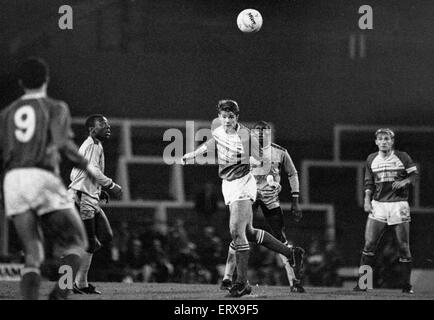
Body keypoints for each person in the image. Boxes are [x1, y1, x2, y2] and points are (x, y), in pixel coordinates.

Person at [181, 100, 304, 297]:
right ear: (219, 117)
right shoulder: (219, 131)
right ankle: (291, 253)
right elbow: (214, 143)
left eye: (231, 117)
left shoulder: (246, 135)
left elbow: (261, 159)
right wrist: (194, 154)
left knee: (236, 232)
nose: (227, 120)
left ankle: (241, 283)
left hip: (243, 184)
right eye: (224, 116)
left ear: (237, 117)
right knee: (248, 232)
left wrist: (271, 179)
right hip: (227, 185)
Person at [0, 57, 97, 300]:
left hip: (13, 180)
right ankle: (60, 293)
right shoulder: (55, 107)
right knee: (76, 243)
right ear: (47, 79)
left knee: (32, 253)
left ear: (21, 82)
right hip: (41, 174)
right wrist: (89, 168)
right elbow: (63, 143)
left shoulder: (6, 113)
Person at [220, 120, 305, 292]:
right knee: (240, 233)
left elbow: (293, 173)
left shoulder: (279, 152)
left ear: (269, 133)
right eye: (257, 132)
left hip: (270, 199)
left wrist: (295, 200)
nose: (260, 134)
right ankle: (227, 278)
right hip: (248, 196)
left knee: (280, 238)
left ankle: (294, 281)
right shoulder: (244, 151)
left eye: (264, 131)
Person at [354, 128, 418, 293]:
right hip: (379, 205)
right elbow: (368, 183)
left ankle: (406, 285)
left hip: (399, 205)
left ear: (392, 141)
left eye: (387, 139)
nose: (383, 141)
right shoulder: (371, 159)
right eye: (380, 139)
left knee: (403, 246)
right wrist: (366, 200)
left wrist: (405, 182)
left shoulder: (402, 157)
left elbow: (414, 176)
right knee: (369, 244)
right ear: (376, 142)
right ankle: (363, 284)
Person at [69, 114, 122, 294]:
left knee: (105, 236)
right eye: (104, 125)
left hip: (89, 196)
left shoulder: (95, 144)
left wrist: (99, 188)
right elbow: (92, 170)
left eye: (108, 125)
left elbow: (84, 172)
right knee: (90, 243)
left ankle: (75, 280)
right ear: (92, 129)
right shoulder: (91, 144)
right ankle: (77, 283)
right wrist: (111, 185)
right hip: (82, 197)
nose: (108, 128)